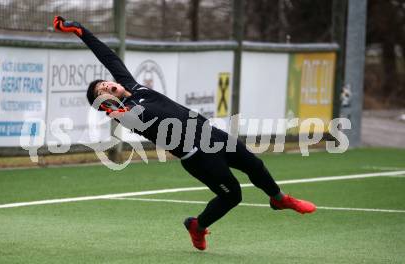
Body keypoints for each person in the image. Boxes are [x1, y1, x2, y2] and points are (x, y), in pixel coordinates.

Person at [53, 16, 316, 251]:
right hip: (198, 155)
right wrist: (115, 112)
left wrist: (80, 30)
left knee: (255, 165)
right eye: (102, 92)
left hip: (211, 135)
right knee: (233, 195)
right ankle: (196, 226)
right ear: (106, 103)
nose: (107, 85)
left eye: (103, 83)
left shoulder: (133, 86)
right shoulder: (129, 114)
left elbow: (109, 57)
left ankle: (280, 199)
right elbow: (135, 119)